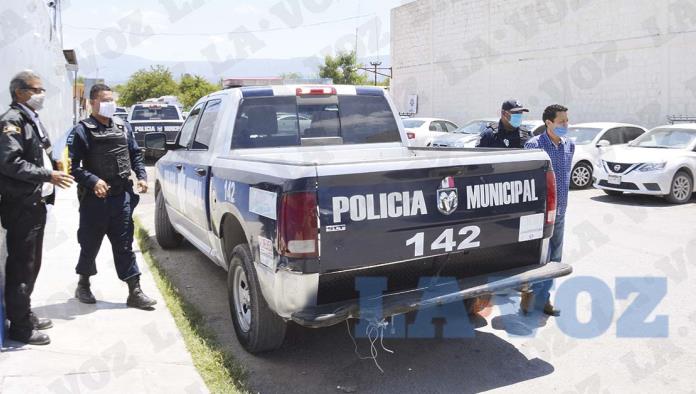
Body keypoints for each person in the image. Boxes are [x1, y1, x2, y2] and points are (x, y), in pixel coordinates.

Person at [0, 70, 74, 345]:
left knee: (32, 265)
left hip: (35, 203)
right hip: (21, 205)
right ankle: (19, 327)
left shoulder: (30, 118)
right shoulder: (12, 121)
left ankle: (25, 312)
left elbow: (38, 151)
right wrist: (48, 175)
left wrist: (54, 166)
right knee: (21, 266)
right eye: (37, 89)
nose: (41, 95)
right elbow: (10, 162)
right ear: (20, 92)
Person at [67, 83, 156, 310]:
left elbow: (135, 154)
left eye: (111, 99)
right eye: (104, 100)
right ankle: (83, 284)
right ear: (92, 103)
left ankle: (134, 291)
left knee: (125, 244)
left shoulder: (123, 126)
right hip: (95, 201)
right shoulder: (82, 130)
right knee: (90, 244)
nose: (110, 104)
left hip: (121, 197)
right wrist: (93, 181)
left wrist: (142, 176)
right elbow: (73, 167)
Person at [521, 104, 574, 316]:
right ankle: (528, 296)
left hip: (560, 211)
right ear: (548, 123)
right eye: (561, 121)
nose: (565, 125)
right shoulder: (534, 145)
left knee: (555, 259)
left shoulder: (569, 145)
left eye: (567, 120)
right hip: (540, 213)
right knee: (536, 258)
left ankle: (544, 300)